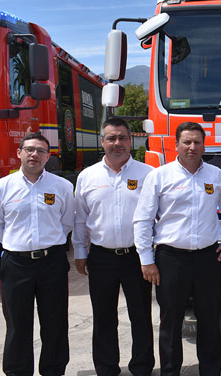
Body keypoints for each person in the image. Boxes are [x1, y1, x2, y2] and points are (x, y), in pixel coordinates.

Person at [133, 122, 221, 376]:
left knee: (210, 317)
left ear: (204, 145)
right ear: (177, 144)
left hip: (207, 257)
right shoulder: (159, 176)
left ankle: (211, 369)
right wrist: (146, 259)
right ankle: (170, 371)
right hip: (170, 258)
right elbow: (143, 218)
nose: (192, 147)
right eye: (186, 142)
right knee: (170, 320)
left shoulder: (217, 175)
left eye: (197, 142)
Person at [0, 133, 74, 376]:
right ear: (19, 153)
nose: (34, 154)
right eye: (29, 149)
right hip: (16, 264)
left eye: (41, 151)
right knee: (17, 324)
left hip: (52, 262)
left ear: (48, 157)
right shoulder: (1, 187)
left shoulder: (62, 187)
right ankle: (17, 371)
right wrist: (16, 245)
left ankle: (53, 370)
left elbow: (67, 223)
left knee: (55, 322)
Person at [72, 118, 155, 376]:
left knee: (140, 315)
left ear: (131, 141)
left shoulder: (148, 174)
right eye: (111, 138)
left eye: (122, 138)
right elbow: (79, 218)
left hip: (136, 256)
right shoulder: (87, 176)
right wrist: (79, 252)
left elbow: (159, 216)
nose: (117, 143)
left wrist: (150, 256)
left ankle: (142, 367)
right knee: (104, 316)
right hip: (101, 257)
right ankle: (106, 368)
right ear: (102, 142)